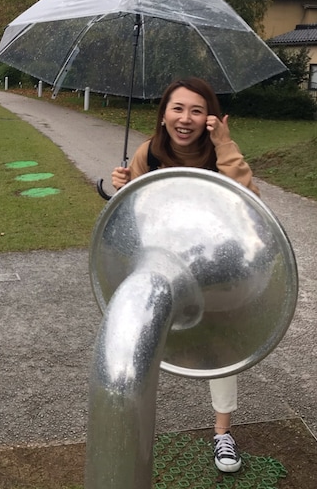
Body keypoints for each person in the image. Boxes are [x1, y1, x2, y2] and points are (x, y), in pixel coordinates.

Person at [111, 77, 260, 474]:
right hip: (160, 266)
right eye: (177, 108)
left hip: (212, 268)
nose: (185, 118)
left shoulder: (218, 154)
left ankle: (222, 432)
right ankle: (132, 424)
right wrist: (119, 188)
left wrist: (225, 145)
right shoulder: (148, 153)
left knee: (220, 349)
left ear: (210, 118)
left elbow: (251, 204)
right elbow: (128, 221)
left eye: (196, 110)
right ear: (163, 115)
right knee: (140, 343)